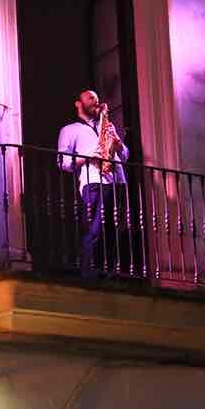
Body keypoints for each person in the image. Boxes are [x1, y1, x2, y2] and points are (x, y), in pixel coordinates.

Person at [57, 89, 130, 276]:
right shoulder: (70, 130)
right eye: (90, 98)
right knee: (95, 231)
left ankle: (111, 274)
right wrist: (89, 157)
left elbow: (125, 156)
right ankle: (90, 275)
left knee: (115, 232)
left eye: (97, 99)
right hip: (94, 182)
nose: (95, 101)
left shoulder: (107, 126)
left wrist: (118, 142)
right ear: (78, 104)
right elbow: (63, 162)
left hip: (118, 182)